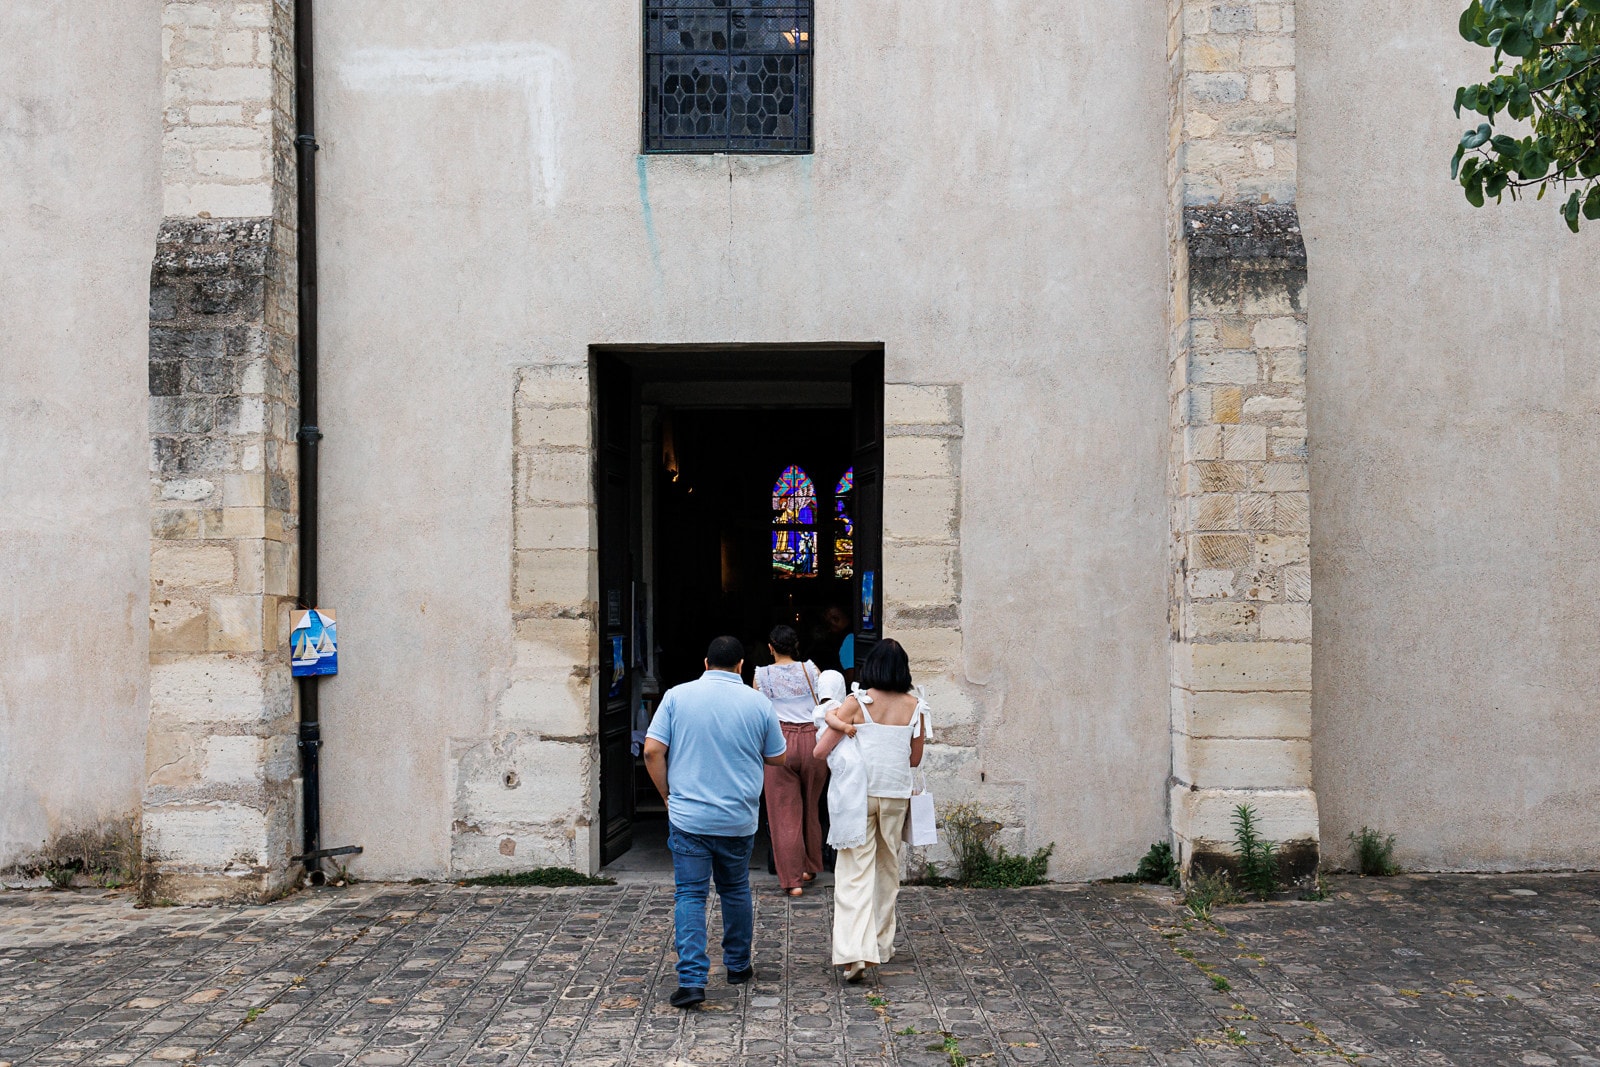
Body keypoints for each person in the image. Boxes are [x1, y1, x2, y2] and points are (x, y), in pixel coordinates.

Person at [644, 635, 787, 1010]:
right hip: (737, 817)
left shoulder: (677, 696)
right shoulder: (758, 703)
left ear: (705, 663)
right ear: (742, 666)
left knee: (690, 894)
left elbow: (652, 750)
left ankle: (692, 980)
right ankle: (738, 966)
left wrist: (666, 794)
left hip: (689, 816)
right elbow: (778, 757)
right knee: (735, 888)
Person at [813, 638, 928, 983]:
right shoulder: (916, 706)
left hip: (858, 796)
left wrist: (841, 726)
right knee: (887, 869)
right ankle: (879, 944)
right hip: (895, 795)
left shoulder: (856, 702)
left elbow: (821, 752)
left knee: (853, 872)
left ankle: (854, 952)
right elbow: (915, 758)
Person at [752, 625, 828, 897]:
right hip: (812, 739)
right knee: (811, 807)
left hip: (780, 741)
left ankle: (793, 881)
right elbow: (824, 702)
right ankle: (809, 867)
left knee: (784, 813)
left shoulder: (762, 675)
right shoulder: (811, 670)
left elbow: (760, 714)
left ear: (771, 647)